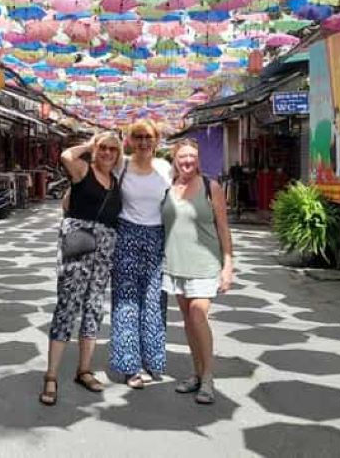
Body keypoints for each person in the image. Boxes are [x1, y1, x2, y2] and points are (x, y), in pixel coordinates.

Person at [40, 131, 123, 406]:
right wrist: (89, 144)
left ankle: (84, 370)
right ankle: (51, 376)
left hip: (104, 249)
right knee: (68, 304)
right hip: (78, 242)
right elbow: (66, 155)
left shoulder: (116, 181)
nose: (107, 153)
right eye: (103, 148)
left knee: (94, 306)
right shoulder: (83, 170)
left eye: (113, 149)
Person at [162, 139, 234, 405]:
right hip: (175, 265)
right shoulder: (168, 188)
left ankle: (208, 378)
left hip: (205, 264)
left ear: (198, 159)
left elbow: (223, 227)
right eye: (183, 156)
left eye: (192, 156)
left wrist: (228, 265)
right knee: (188, 321)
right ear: (175, 159)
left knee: (198, 315)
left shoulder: (210, 187)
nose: (188, 160)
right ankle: (196, 373)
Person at [109, 120, 172, 388]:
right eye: (138, 137)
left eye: (148, 137)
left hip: (157, 237)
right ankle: (129, 366)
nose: (143, 142)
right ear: (130, 140)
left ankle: (152, 359)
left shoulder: (165, 168)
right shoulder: (120, 165)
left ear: (156, 140)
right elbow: (83, 161)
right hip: (126, 235)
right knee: (126, 301)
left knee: (154, 300)